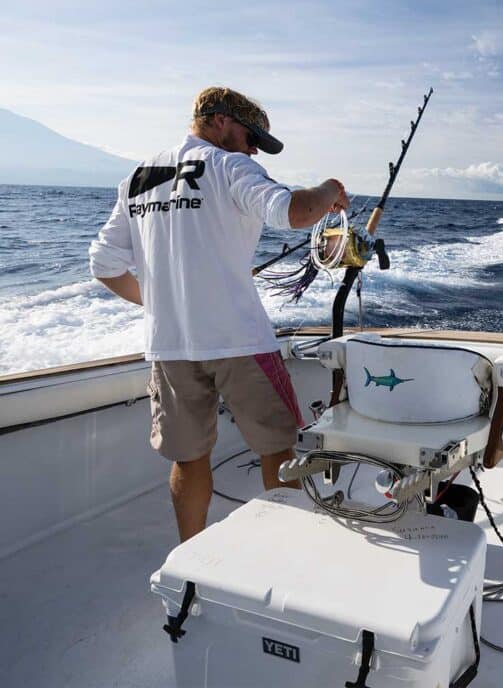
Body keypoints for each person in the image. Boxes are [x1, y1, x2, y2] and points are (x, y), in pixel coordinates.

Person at [89, 87, 349, 542]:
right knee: (278, 451)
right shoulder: (229, 165)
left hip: (169, 348)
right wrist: (331, 190)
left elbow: (104, 265)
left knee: (189, 460)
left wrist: (163, 301)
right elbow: (294, 211)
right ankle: (289, 555)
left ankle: (190, 558)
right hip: (240, 343)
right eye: (252, 138)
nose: (253, 150)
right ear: (221, 121)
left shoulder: (137, 177)